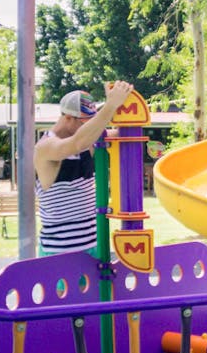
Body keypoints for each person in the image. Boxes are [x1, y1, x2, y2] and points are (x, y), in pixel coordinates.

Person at [33, 81, 134, 255]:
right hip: (59, 253)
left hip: (94, 247)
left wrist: (123, 103)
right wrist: (110, 105)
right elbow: (78, 142)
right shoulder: (45, 147)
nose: (90, 128)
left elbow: (123, 134)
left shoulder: (90, 141)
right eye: (85, 123)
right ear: (68, 118)